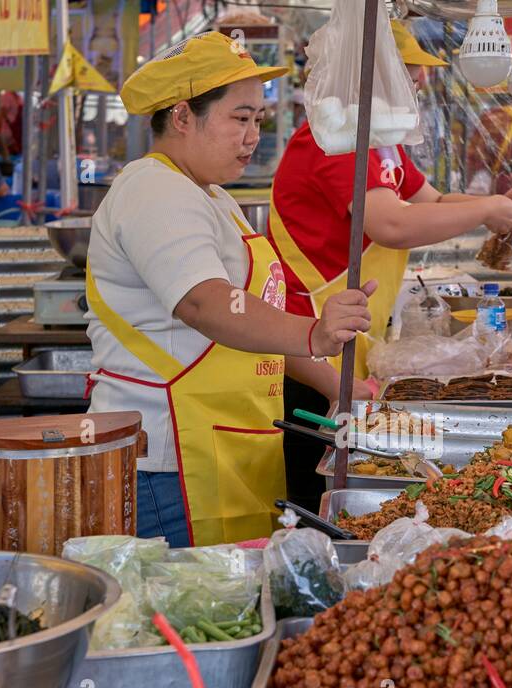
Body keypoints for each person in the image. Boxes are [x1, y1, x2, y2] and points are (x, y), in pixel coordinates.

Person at [84, 32, 374, 546]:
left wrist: (338, 385)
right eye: (240, 118)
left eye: (258, 120)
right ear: (181, 116)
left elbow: (258, 317)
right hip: (171, 461)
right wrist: (315, 332)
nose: (252, 137)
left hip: (231, 447)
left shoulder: (212, 195)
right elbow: (206, 303)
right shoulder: (155, 189)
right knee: (191, 612)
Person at [268, 18, 512, 510]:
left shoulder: (381, 141)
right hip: (309, 348)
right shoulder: (335, 139)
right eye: (408, 70)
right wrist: (484, 211)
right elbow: (391, 225)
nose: (419, 81)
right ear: (368, 75)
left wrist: (499, 203)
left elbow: (432, 201)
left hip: (350, 335)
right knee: (324, 499)